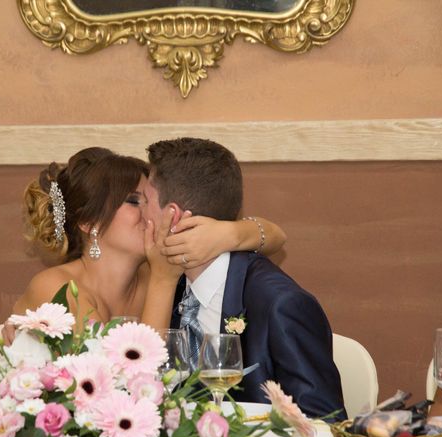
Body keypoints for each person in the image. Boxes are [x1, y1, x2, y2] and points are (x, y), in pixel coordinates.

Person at [141, 137, 347, 420]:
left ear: (173, 217)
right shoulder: (167, 280)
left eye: (143, 201)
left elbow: (324, 423)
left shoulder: (280, 305)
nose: (140, 214)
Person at [4, 146, 286, 341]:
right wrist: (163, 281)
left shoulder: (154, 267)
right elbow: (131, 385)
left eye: (149, 201)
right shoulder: (56, 288)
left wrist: (226, 235)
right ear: (89, 223)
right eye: (132, 201)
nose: (151, 212)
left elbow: (275, 236)